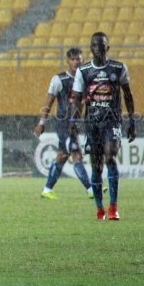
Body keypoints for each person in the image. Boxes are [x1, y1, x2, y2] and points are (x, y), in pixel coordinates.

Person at [70, 32, 136, 220]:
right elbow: (76, 99)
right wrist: (73, 121)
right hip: (92, 123)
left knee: (110, 158)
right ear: (91, 48)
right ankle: (100, 208)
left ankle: (113, 207)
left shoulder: (119, 68)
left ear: (107, 48)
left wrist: (132, 121)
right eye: (95, 45)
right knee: (96, 167)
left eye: (102, 45)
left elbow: (128, 95)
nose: (98, 49)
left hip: (112, 121)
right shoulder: (84, 72)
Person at [34, 48, 96, 200]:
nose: (76, 62)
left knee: (62, 156)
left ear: (82, 61)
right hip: (62, 125)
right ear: (68, 61)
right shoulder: (59, 80)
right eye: (73, 59)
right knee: (76, 154)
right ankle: (91, 189)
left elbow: (85, 103)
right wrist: (42, 123)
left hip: (74, 125)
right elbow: (48, 102)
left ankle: (47, 189)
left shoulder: (86, 81)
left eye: (78, 59)